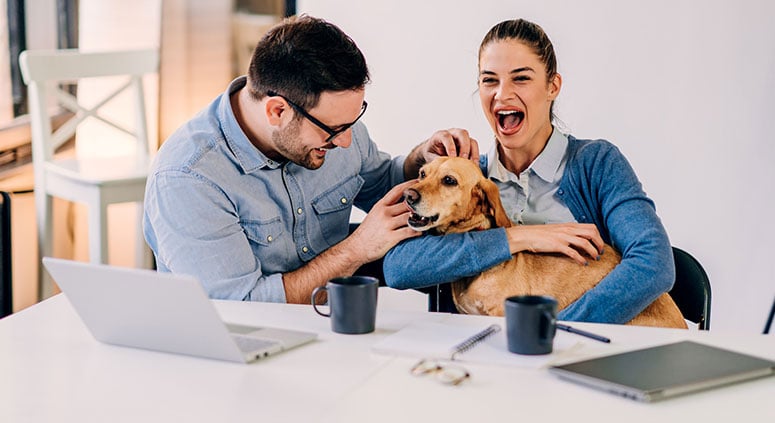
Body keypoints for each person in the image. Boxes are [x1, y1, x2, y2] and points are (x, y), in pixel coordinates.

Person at [143, 15, 478, 304]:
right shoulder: (189, 179)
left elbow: (379, 183)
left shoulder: (332, 128)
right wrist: (355, 250)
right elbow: (243, 309)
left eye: (353, 122)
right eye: (334, 130)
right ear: (277, 111)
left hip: (335, 330)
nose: (346, 141)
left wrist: (424, 160)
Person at [383, 18, 675, 324]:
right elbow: (399, 268)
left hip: (595, 349)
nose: (502, 94)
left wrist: (552, 330)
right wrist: (519, 238)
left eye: (520, 78)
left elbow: (654, 262)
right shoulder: (464, 182)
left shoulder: (596, 163)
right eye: (489, 80)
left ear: (553, 86)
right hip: (490, 353)